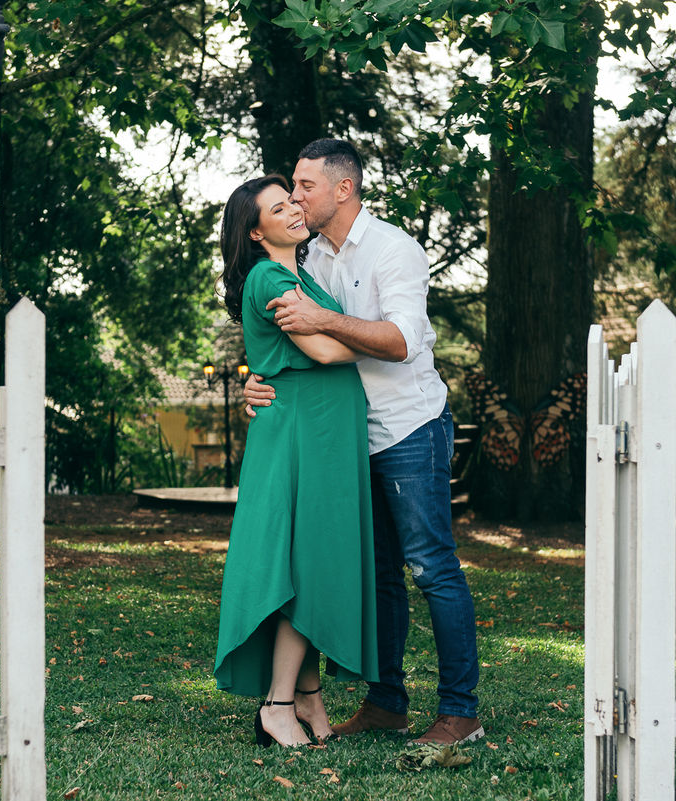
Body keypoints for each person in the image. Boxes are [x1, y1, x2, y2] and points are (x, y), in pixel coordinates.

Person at [245, 139, 483, 744]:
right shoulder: (311, 256)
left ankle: (460, 712)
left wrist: (324, 321)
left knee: (431, 567)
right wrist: (260, 377)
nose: (296, 197)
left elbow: (403, 340)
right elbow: (292, 344)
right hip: (345, 440)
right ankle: (386, 702)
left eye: (304, 186)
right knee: (378, 575)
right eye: (291, 189)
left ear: (342, 189)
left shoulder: (393, 250)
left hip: (407, 427)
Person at [213, 174, 379, 748]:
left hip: (324, 431)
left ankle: (307, 697)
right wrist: (389, 338)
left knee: (315, 559)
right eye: (276, 208)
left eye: (291, 201)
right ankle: (277, 706)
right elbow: (326, 349)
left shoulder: (301, 273)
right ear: (255, 232)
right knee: (305, 567)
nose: (291, 210)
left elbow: (313, 343)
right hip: (302, 435)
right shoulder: (271, 276)